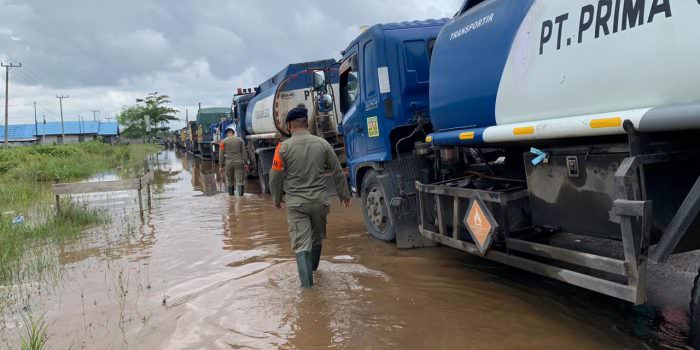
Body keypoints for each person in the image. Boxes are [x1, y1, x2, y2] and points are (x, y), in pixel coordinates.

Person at [270, 105, 351, 288]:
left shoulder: (282, 148)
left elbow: (275, 176)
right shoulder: (322, 144)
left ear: (290, 125)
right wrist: (344, 195)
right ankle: (314, 271)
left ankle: (308, 291)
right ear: (306, 123)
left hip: (297, 204)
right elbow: (337, 170)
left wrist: (276, 198)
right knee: (316, 238)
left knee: (301, 244)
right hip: (320, 202)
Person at [219, 126, 250, 196]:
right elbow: (244, 152)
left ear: (227, 134)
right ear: (233, 133)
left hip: (228, 163)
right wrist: (246, 163)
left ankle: (231, 197)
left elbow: (221, 154)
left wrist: (221, 165)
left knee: (230, 181)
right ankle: (241, 197)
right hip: (239, 162)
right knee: (240, 180)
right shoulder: (240, 140)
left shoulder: (223, 142)